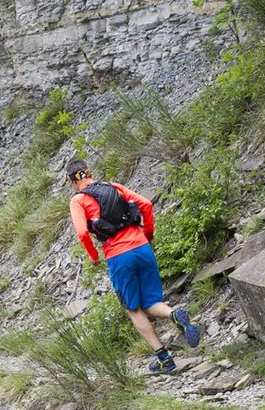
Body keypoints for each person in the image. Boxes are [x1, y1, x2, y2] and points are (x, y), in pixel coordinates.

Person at [66, 158, 200, 373]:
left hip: (119, 256)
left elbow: (82, 232)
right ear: (89, 173)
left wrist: (93, 255)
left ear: (71, 180)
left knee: (133, 309)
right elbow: (146, 204)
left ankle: (164, 358)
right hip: (143, 248)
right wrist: (148, 234)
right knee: (150, 302)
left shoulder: (78, 200)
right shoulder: (113, 186)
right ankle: (175, 314)